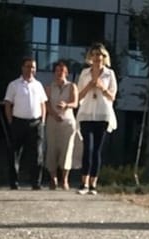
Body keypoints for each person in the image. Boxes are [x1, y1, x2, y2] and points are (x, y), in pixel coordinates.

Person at [75, 43, 118, 195]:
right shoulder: (85, 73)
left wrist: (101, 87)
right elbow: (78, 95)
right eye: (94, 54)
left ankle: (93, 184)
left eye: (99, 55)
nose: (97, 58)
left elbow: (112, 96)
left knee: (96, 150)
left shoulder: (109, 74)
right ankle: (84, 183)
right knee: (88, 148)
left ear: (104, 57)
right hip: (86, 114)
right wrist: (89, 86)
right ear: (90, 57)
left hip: (102, 114)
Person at [3, 57, 47, 190]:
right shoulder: (14, 85)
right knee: (15, 153)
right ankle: (14, 182)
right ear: (22, 68)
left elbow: (43, 104)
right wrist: (10, 121)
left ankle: (36, 182)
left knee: (37, 154)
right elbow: (8, 104)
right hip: (18, 122)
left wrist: (42, 121)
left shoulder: (38, 85)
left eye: (33, 67)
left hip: (36, 123)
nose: (30, 69)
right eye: (28, 66)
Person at [44, 60, 78, 190]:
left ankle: (65, 179)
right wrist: (53, 114)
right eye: (57, 70)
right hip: (53, 120)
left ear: (66, 72)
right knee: (52, 149)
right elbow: (46, 104)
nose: (60, 73)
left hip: (67, 122)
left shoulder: (72, 86)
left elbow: (75, 103)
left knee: (67, 150)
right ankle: (53, 178)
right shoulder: (49, 87)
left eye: (62, 71)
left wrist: (66, 105)